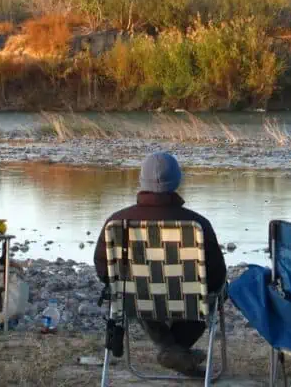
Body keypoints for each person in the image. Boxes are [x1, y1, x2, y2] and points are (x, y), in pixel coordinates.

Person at [93, 152, 227, 376]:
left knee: (135, 290)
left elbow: (103, 269)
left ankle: (170, 348)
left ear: (141, 181)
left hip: (136, 300)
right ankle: (175, 350)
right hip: (189, 301)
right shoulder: (198, 224)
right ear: (177, 181)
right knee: (212, 295)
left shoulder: (117, 222)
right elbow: (216, 277)